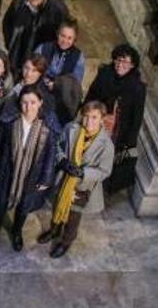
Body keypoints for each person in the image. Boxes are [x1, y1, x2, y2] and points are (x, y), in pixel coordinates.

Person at [0, 85, 58, 251]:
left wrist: (46, 177)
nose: (28, 107)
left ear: (40, 103)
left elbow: (50, 155)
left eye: (32, 102)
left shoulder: (47, 127)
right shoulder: (10, 122)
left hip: (32, 175)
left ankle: (16, 231)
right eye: (24, 102)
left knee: (24, 206)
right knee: (0, 203)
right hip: (6, 171)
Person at [38, 101, 114, 258]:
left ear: (102, 119)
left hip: (83, 187)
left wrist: (83, 173)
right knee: (58, 205)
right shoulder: (71, 128)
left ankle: (66, 241)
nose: (89, 121)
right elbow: (58, 145)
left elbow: (105, 171)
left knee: (73, 216)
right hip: (65, 179)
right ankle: (54, 230)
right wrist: (63, 160)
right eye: (86, 117)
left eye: (94, 117)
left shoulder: (106, 144)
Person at [84, 43, 146, 194]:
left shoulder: (138, 87)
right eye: (118, 60)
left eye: (125, 62)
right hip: (96, 123)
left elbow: (136, 117)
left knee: (106, 161)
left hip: (118, 132)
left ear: (132, 65)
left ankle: (98, 188)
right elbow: (91, 94)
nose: (120, 65)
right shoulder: (105, 73)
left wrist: (129, 142)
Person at [2, 0, 69, 73]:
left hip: (42, 58)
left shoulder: (58, 9)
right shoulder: (18, 3)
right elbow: (7, 23)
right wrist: (10, 44)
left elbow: (64, 34)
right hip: (18, 54)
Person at [34, 19, 86, 125]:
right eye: (62, 36)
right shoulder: (44, 47)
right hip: (40, 91)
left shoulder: (78, 57)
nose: (65, 41)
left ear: (74, 39)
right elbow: (33, 68)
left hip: (61, 100)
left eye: (69, 38)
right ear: (57, 34)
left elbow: (74, 83)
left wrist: (57, 84)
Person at [0, 54, 57, 123]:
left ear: (40, 73)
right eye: (26, 68)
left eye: (34, 71)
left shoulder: (43, 93)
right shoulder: (15, 79)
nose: (28, 74)